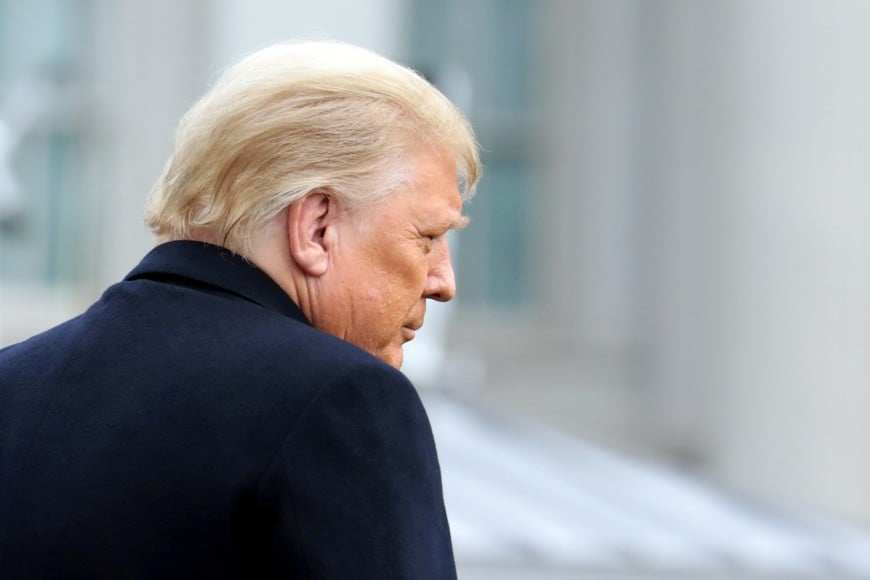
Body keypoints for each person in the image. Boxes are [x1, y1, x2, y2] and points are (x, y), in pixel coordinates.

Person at [0, 41, 480, 578]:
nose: (444, 282)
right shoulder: (342, 400)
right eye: (428, 236)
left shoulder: (11, 382)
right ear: (316, 228)